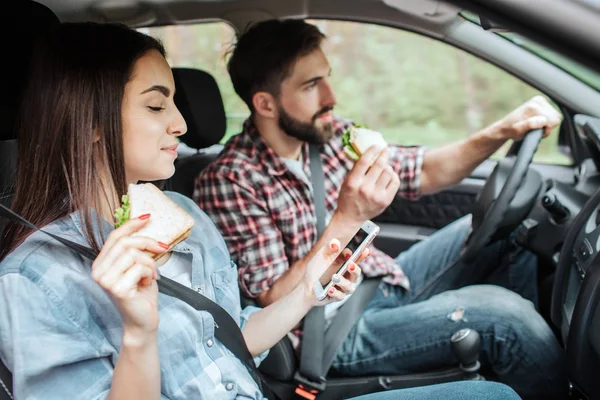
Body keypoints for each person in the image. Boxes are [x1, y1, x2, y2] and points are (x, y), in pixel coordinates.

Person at [0, 21, 522, 400]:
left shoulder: (181, 213)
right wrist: (139, 335)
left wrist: (310, 290)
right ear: (90, 123)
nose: (181, 124)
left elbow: (232, 339)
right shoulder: (34, 280)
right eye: (157, 105)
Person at [195, 19, 567, 400]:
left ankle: (515, 369)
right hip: (329, 330)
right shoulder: (231, 180)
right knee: (505, 317)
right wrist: (348, 219)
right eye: (311, 85)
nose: (331, 96)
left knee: (511, 229)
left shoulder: (329, 136)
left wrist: (502, 131)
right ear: (265, 103)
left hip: (377, 278)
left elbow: (423, 170)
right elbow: (272, 297)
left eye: (327, 77)